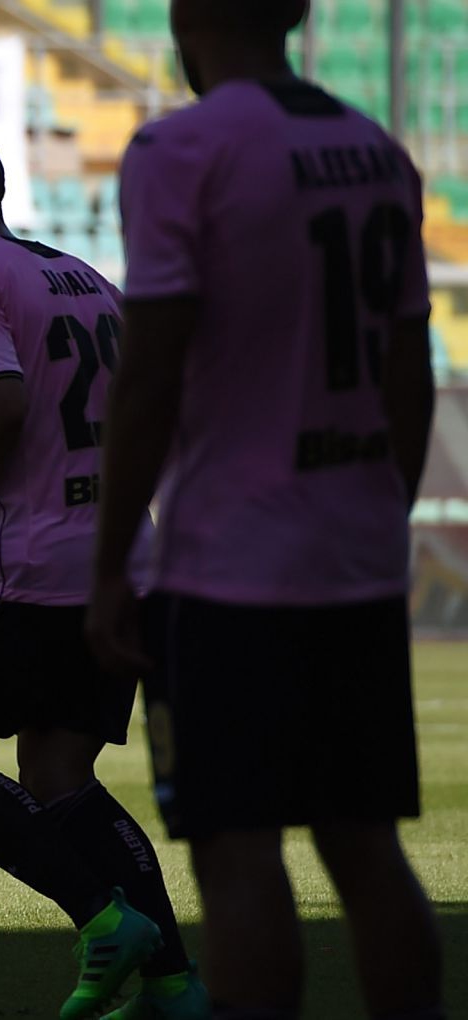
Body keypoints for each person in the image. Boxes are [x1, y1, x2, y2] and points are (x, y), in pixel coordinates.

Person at [85, 2, 444, 1017]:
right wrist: (378, 513)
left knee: (237, 853)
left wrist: (110, 566)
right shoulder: (378, 152)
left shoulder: (179, 149)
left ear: (184, 16)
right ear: (294, 11)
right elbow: (408, 369)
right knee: (366, 847)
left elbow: (149, 376)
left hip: (227, 565)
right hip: (355, 558)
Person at [0, 122, 204, 1018]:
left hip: (37, 571)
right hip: (121, 560)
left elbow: (3, 406)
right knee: (61, 773)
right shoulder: (87, 278)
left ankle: (102, 920)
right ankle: (175, 983)